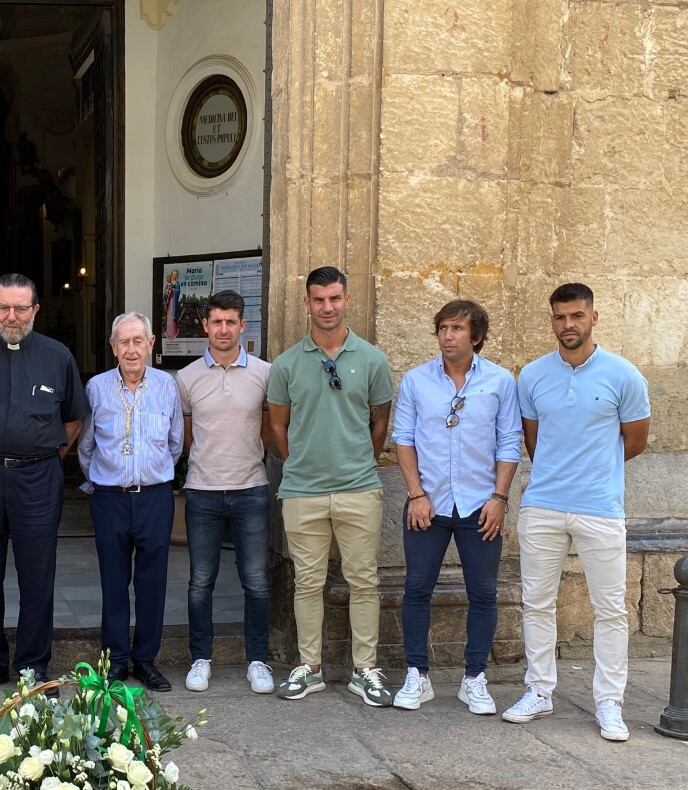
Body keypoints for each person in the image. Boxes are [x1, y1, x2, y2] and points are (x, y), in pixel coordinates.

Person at [502, 283, 650, 741]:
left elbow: (636, 440)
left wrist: (593, 468)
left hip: (600, 507)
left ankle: (609, 702)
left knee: (610, 610)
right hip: (543, 504)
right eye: (560, 317)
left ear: (593, 318)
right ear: (552, 320)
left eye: (577, 316)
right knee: (536, 603)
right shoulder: (532, 376)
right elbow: (533, 439)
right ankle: (539, 690)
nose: (569, 325)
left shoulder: (624, 376)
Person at [0, 273, 86, 692]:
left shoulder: (57, 355)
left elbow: (73, 418)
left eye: (21, 308)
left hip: (38, 479)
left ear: (35, 310)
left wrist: (42, 457)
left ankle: (32, 665)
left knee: (37, 574)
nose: (12, 316)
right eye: (4, 307)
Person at [268, 266, 396, 707]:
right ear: (307, 303)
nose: (327, 307)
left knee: (364, 581)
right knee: (307, 582)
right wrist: (301, 464)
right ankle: (310, 667)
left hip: (359, 486)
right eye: (319, 299)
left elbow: (380, 421)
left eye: (335, 299)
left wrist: (358, 458)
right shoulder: (286, 364)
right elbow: (278, 427)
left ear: (347, 300)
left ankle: (366, 669)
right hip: (302, 490)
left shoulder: (373, 360)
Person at [392, 300, 521, 713]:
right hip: (427, 504)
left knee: (483, 593)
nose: (448, 336)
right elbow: (403, 438)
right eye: (443, 328)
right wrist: (415, 494)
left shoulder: (501, 382)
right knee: (416, 589)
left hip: (479, 505)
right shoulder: (416, 381)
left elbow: (508, 442)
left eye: (457, 329)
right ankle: (418, 674)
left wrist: (499, 499)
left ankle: (474, 678)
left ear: (476, 336)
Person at [174, 291, 274, 694]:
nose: (223, 329)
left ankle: (258, 660)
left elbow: (270, 427)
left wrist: (252, 456)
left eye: (231, 322)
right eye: (216, 322)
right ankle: (201, 658)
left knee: (256, 581)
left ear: (242, 325)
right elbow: (185, 437)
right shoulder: (187, 377)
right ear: (205, 326)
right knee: (200, 581)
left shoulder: (265, 373)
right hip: (203, 490)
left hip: (251, 488)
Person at [78, 312, 183, 692]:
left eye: (139, 341)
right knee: (114, 581)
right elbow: (86, 446)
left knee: (152, 582)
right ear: (113, 347)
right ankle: (116, 660)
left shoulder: (167, 387)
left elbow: (175, 444)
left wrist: (148, 475)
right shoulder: (96, 388)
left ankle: (146, 660)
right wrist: (104, 481)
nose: (132, 349)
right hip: (110, 499)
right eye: (124, 342)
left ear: (152, 344)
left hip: (154, 497)